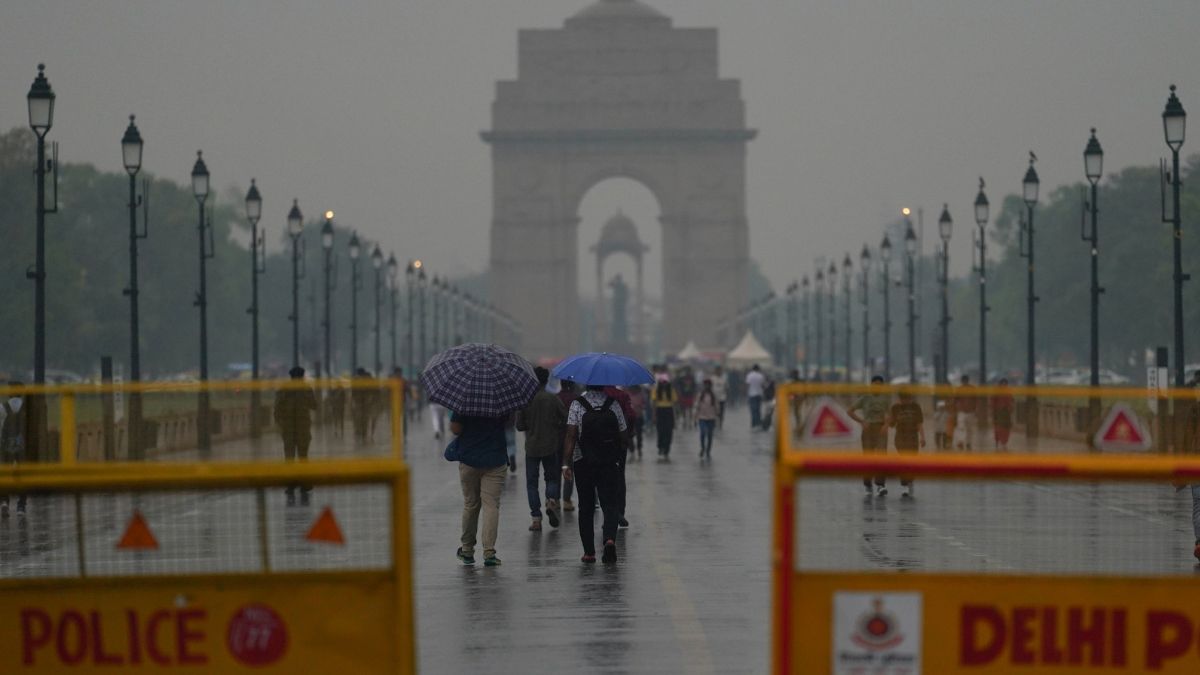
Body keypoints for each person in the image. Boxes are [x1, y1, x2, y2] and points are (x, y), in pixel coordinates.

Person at [562, 384, 628, 564]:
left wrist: (566, 464)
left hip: (583, 461)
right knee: (609, 504)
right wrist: (617, 456)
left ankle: (589, 553)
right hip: (608, 462)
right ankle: (609, 539)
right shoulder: (613, 404)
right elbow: (623, 435)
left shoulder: (577, 404)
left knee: (586, 507)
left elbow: (571, 435)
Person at [451, 408, 508, 567]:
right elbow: (508, 423)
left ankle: (467, 550)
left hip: (469, 458)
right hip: (495, 458)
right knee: (491, 505)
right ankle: (489, 552)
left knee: (471, 504)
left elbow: (455, 429)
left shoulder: (465, 400)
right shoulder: (500, 398)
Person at [516, 367, 565, 532]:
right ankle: (551, 499)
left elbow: (519, 425)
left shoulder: (525, 400)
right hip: (551, 445)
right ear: (547, 381)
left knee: (532, 484)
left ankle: (536, 519)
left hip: (531, 447)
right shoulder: (552, 399)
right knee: (551, 479)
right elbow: (564, 419)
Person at [274, 367, 318, 506]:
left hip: (288, 427)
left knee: (289, 456)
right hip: (302, 426)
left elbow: (277, 408)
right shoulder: (306, 389)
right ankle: (305, 483)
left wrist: (280, 423)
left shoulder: (284, 389)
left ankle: (290, 484)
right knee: (303, 456)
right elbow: (314, 406)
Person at [848, 376, 890, 496]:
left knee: (882, 457)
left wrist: (886, 425)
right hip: (868, 430)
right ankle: (867, 484)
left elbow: (892, 414)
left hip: (881, 429)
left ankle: (881, 485)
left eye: (879, 385)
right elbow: (850, 410)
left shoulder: (886, 398)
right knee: (868, 457)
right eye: (875, 384)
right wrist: (861, 421)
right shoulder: (865, 398)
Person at [887, 390, 925, 499]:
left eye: (908, 399)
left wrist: (922, 437)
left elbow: (919, 423)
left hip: (913, 437)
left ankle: (910, 481)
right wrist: (887, 421)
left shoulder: (916, 407)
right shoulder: (895, 408)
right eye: (903, 399)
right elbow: (892, 424)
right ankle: (904, 486)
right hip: (900, 438)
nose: (906, 401)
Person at [1, 383, 28, 518]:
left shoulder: (2, 407)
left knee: (4, 474)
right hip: (23, 447)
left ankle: (4, 501)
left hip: (6, 446)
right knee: (23, 475)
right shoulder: (27, 408)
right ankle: (21, 506)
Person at [556, 379, 579, 512]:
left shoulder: (556, 398)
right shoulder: (576, 399)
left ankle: (556, 499)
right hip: (570, 439)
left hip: (556, 439)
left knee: (556, 469)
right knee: (569, 468)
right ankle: (566, 500)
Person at [653, 378, 678, 461]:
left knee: (668, 432)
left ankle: (666, 450)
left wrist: (675, 419)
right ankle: (660, 447)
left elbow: (674, 405)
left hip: (669, 412)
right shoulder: (656, 390)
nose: (664, 385)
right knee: (660, 431)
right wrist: (654, 415)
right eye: (662, 383)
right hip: (660, 411)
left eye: (665, 383)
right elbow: (654, 403)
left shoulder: (671, 391)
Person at [695, 379, 719, 460]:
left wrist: (717, 416)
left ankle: (708, 451)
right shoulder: (700, 395)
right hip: (702, 417)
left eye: (708, 385)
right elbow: (697, 406)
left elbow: (716, 407)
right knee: (702, 433)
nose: (707, 386)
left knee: (709, 435)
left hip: (711, 418)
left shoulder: (713, 395)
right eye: (705, 385)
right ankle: (702, 448)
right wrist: (695, 417)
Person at [953, 374, 979, 450]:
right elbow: (955, 400)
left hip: (970, 412)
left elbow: (976, 400)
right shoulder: (959, 389)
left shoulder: (972, 389)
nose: (965, 382)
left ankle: (968, 443)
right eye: (964, 381)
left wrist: (976, 409)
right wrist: (955, 410)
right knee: (961, 427)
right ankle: (961, 442)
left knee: (969, 429)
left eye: (965, 381)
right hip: (962, 412)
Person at [991, 378, 1015, 451]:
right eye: (1003, 384)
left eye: (1005, 384)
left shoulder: (1009, 392)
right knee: (999, 428)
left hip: (1006, 413)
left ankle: (1004, 442)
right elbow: (992, 402)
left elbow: (1012, 401)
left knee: (1006, 428)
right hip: (998, 413)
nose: (1004, 385)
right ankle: (999, 440)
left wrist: (1010, 408)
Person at [625, 384, 646, 459]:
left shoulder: (641, 394)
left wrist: (640, 406)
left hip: (638, 417)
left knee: (639, 434)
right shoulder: (626, 394)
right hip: (629, 417)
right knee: (630, 435)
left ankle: (639, 448)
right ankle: (632, 451)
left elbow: (644, 404)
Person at [745, 364, 766, 430]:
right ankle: (758, 423)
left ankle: (754, 424)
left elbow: (747, 385)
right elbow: (763, 385)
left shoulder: (749, 375)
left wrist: (746, 393)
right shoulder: (761, 376)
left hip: (751, 394)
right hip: (759, 394)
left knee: (753, 410)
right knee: (758, 409)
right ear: (758, 369)